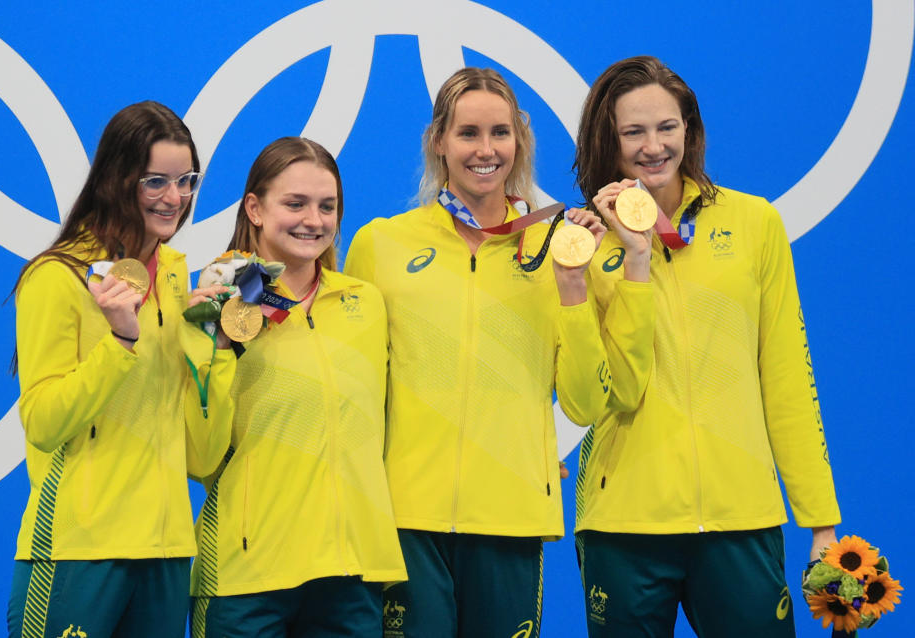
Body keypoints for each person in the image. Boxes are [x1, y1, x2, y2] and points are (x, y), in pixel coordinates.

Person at [344, 67, 653, 638]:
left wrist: (572, 289)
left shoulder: (559, 242)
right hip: (405, 520)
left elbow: (587, 403)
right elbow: (356, 390)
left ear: (520, 142)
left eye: (500, 133)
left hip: (510, 517)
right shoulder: (380, 245)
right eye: (468, 133)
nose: (485, 150)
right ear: (438, 140)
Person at [572, 55, 841, 638]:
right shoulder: (586, 245)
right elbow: (608, 391)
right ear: (608, 141)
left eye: (667, 127)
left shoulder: (753, 223)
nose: (653, 146)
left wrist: (820, 521)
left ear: (689, 129)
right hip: (625, 526)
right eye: (633, 132)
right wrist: (632, 256)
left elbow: (787, 376)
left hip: (741, 520)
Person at [7, 101, 236, 638]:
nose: (174, 198)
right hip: (78, 550)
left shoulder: (179, 280)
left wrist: (214, 351)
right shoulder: (57, 276)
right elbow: (42, 422)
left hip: (168, 552)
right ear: (117, 179)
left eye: (186, 181)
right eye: (155, 181)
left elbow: (200, 455)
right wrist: (118, 339)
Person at [189, 137, 406, 638]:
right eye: (295, 203)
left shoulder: (365, 303)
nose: (314, 219)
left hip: (352, 571)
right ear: (254, 208)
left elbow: (401, 418)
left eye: (327, 206)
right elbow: (198, 455)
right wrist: (218, 344)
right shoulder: (214, 300)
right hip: (248, 574)